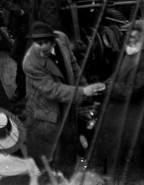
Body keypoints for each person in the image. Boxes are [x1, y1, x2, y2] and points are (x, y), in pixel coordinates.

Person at [22, 21, 105, 175]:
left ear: (53, 41)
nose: (40, 53)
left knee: (68, 149)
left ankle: (66, 174)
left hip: (67, 106)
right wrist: (83, 92)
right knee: (49, 158)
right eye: (36, 45)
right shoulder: (29, 63)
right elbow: (53, 90)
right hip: (47, 114)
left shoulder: (62, 39)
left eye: (44, 48)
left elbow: (73, 66)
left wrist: (86, 89)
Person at [92, 20, 144, 180]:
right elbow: (115, 76)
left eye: (135, 37)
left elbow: (133, 91)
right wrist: (102, 85)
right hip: (115, 115)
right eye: (128, 37)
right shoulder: (129, 53)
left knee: (122, 164)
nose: (130, 40)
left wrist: (107, 88)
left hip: (129, 119)